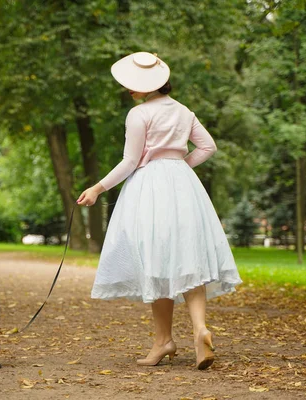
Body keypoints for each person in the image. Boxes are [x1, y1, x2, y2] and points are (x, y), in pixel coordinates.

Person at [77, 52, 242, 370]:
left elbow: (129, 161)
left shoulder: (138, 115)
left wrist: (98, 189)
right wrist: (179, 166)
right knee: (188, 259)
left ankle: (164, 340)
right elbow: (208, 147)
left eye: (132, 84)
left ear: (145, 86)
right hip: (183, 187)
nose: (128, 89)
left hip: (150, 189)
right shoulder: (184, 111)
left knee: (157, 261)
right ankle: (199, 330)